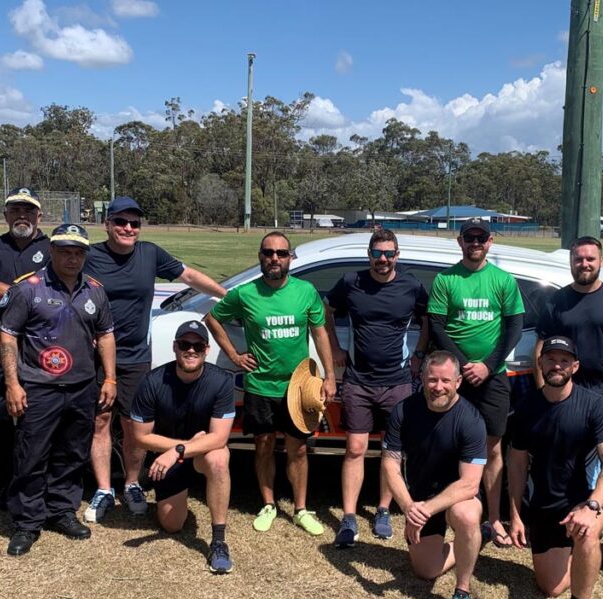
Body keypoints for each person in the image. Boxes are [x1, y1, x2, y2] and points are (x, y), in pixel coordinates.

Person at [82, 196, 226, 524]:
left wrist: (229, 296)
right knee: (100, 421)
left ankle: (132, 482)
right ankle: (104, 487)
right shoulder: (90, 255)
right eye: (120, 222)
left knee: (134, 426)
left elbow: (189, 276)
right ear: (107, 224)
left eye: (134, 223)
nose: (128, 228)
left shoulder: (150, 254)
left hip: (134, 356)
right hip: (94, 356)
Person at [205, 231, 337, 536]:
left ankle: (301, 509)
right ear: (260, 256)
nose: (274, 258)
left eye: (280, 253)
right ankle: (268, 504)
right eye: (268, 252)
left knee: (298, 450)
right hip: (260, 386)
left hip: (298, 388)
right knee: (263, 446)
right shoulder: (245, 293)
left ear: (290, 257)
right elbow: (212, 319)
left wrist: (329, 376)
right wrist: (234, 355)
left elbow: (320, 334)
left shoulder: (305, 291)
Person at [0, 224, 117, 556]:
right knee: (32, 454)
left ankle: (61, 510)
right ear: (51, 250)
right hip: (38, 387)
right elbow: (8, 336)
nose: (72, 258)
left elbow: (106, 335)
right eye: (65, 251)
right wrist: (12, 384)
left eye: (78, 252)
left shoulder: (95, 291)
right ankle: (27, 522)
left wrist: (109, 378)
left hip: (82, 386)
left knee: (72, 453)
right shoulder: (28, 289)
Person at [507, 336, 603, 599]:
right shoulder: (527, 407)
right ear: (540, 364)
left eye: (564, 360)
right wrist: (516, 514)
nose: (556, 365)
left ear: (575, 366)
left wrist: (593, 504)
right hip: (545, 505)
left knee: (587, 531)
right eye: (550, 359)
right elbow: (516, 464)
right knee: (551, 587)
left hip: (584, 500)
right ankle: (584, 559)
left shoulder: (594, 404)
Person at [324, 228, 428, 546]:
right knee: (354, 449)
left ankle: (383, 509)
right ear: (368, 254)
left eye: (388, 254)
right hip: (358, 380)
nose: (382, 260)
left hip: (397, 382)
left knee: (391, 451)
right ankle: (350, 517)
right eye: (377, 253)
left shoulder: (411, 285)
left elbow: (428, 319)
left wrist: (419, 355)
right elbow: (325, 310)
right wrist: (335, 346)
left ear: (397, 255)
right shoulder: (351, 282)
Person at [534, 236, 603, 567]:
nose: (584, 264)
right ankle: (569, 522)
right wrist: (542, 393)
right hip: (565, 393)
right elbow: (542, 347)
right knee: (566, 460)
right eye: (578, 259)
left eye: (590, 259)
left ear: (601, 261)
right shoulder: (557, 301)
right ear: (571, 262)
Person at [428, 221, 524, 548]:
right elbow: (437, 326)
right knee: (446, 443)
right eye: (469, 238)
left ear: (490, 242)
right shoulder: (445, 279)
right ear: (459, 242)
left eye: (480, 238)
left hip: (492, 376)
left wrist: (488, 365)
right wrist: (460, 368)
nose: (475, 243)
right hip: (453, 378)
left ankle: (494, 518)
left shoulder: (503, 281)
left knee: (493, 447)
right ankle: (449, 510)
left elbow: (514, 328)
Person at [381, 351, 488, 599]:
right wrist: (409, 507)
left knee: (465, 516)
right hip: (420, 499)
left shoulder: (472, 420)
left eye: (445, 380)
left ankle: (462, 594)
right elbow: (390, 466)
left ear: (458, 382)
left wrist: (425, 510)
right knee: (426, 571)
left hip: (458, 498)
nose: (438, 387)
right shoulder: (403, 411)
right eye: (432, 379)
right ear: (422, 379)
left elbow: (470, 483)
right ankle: (477, 538)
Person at [130, 321, 236, 573]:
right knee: (172, 525)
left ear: (207, 350)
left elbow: (219, 438)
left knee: (219, 458)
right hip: (173, 457)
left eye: (198, 345)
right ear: (175, 347)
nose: (191, 350)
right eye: (185, 345)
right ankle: (175, 489)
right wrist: (190, 444)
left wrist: (179, 450)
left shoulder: (221, 381)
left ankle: (219, 541)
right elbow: (141, 437)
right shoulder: (153, 381)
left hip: (199, 454)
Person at [0, 187, 51, 506]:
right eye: (16, 210)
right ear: (5, 215)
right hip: (1, 341)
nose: (22, 216)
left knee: (41, 416)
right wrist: (34, 300)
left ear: (39, 216)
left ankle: (32, 479)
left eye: (29, 211)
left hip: (43, 343)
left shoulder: (53, 246)